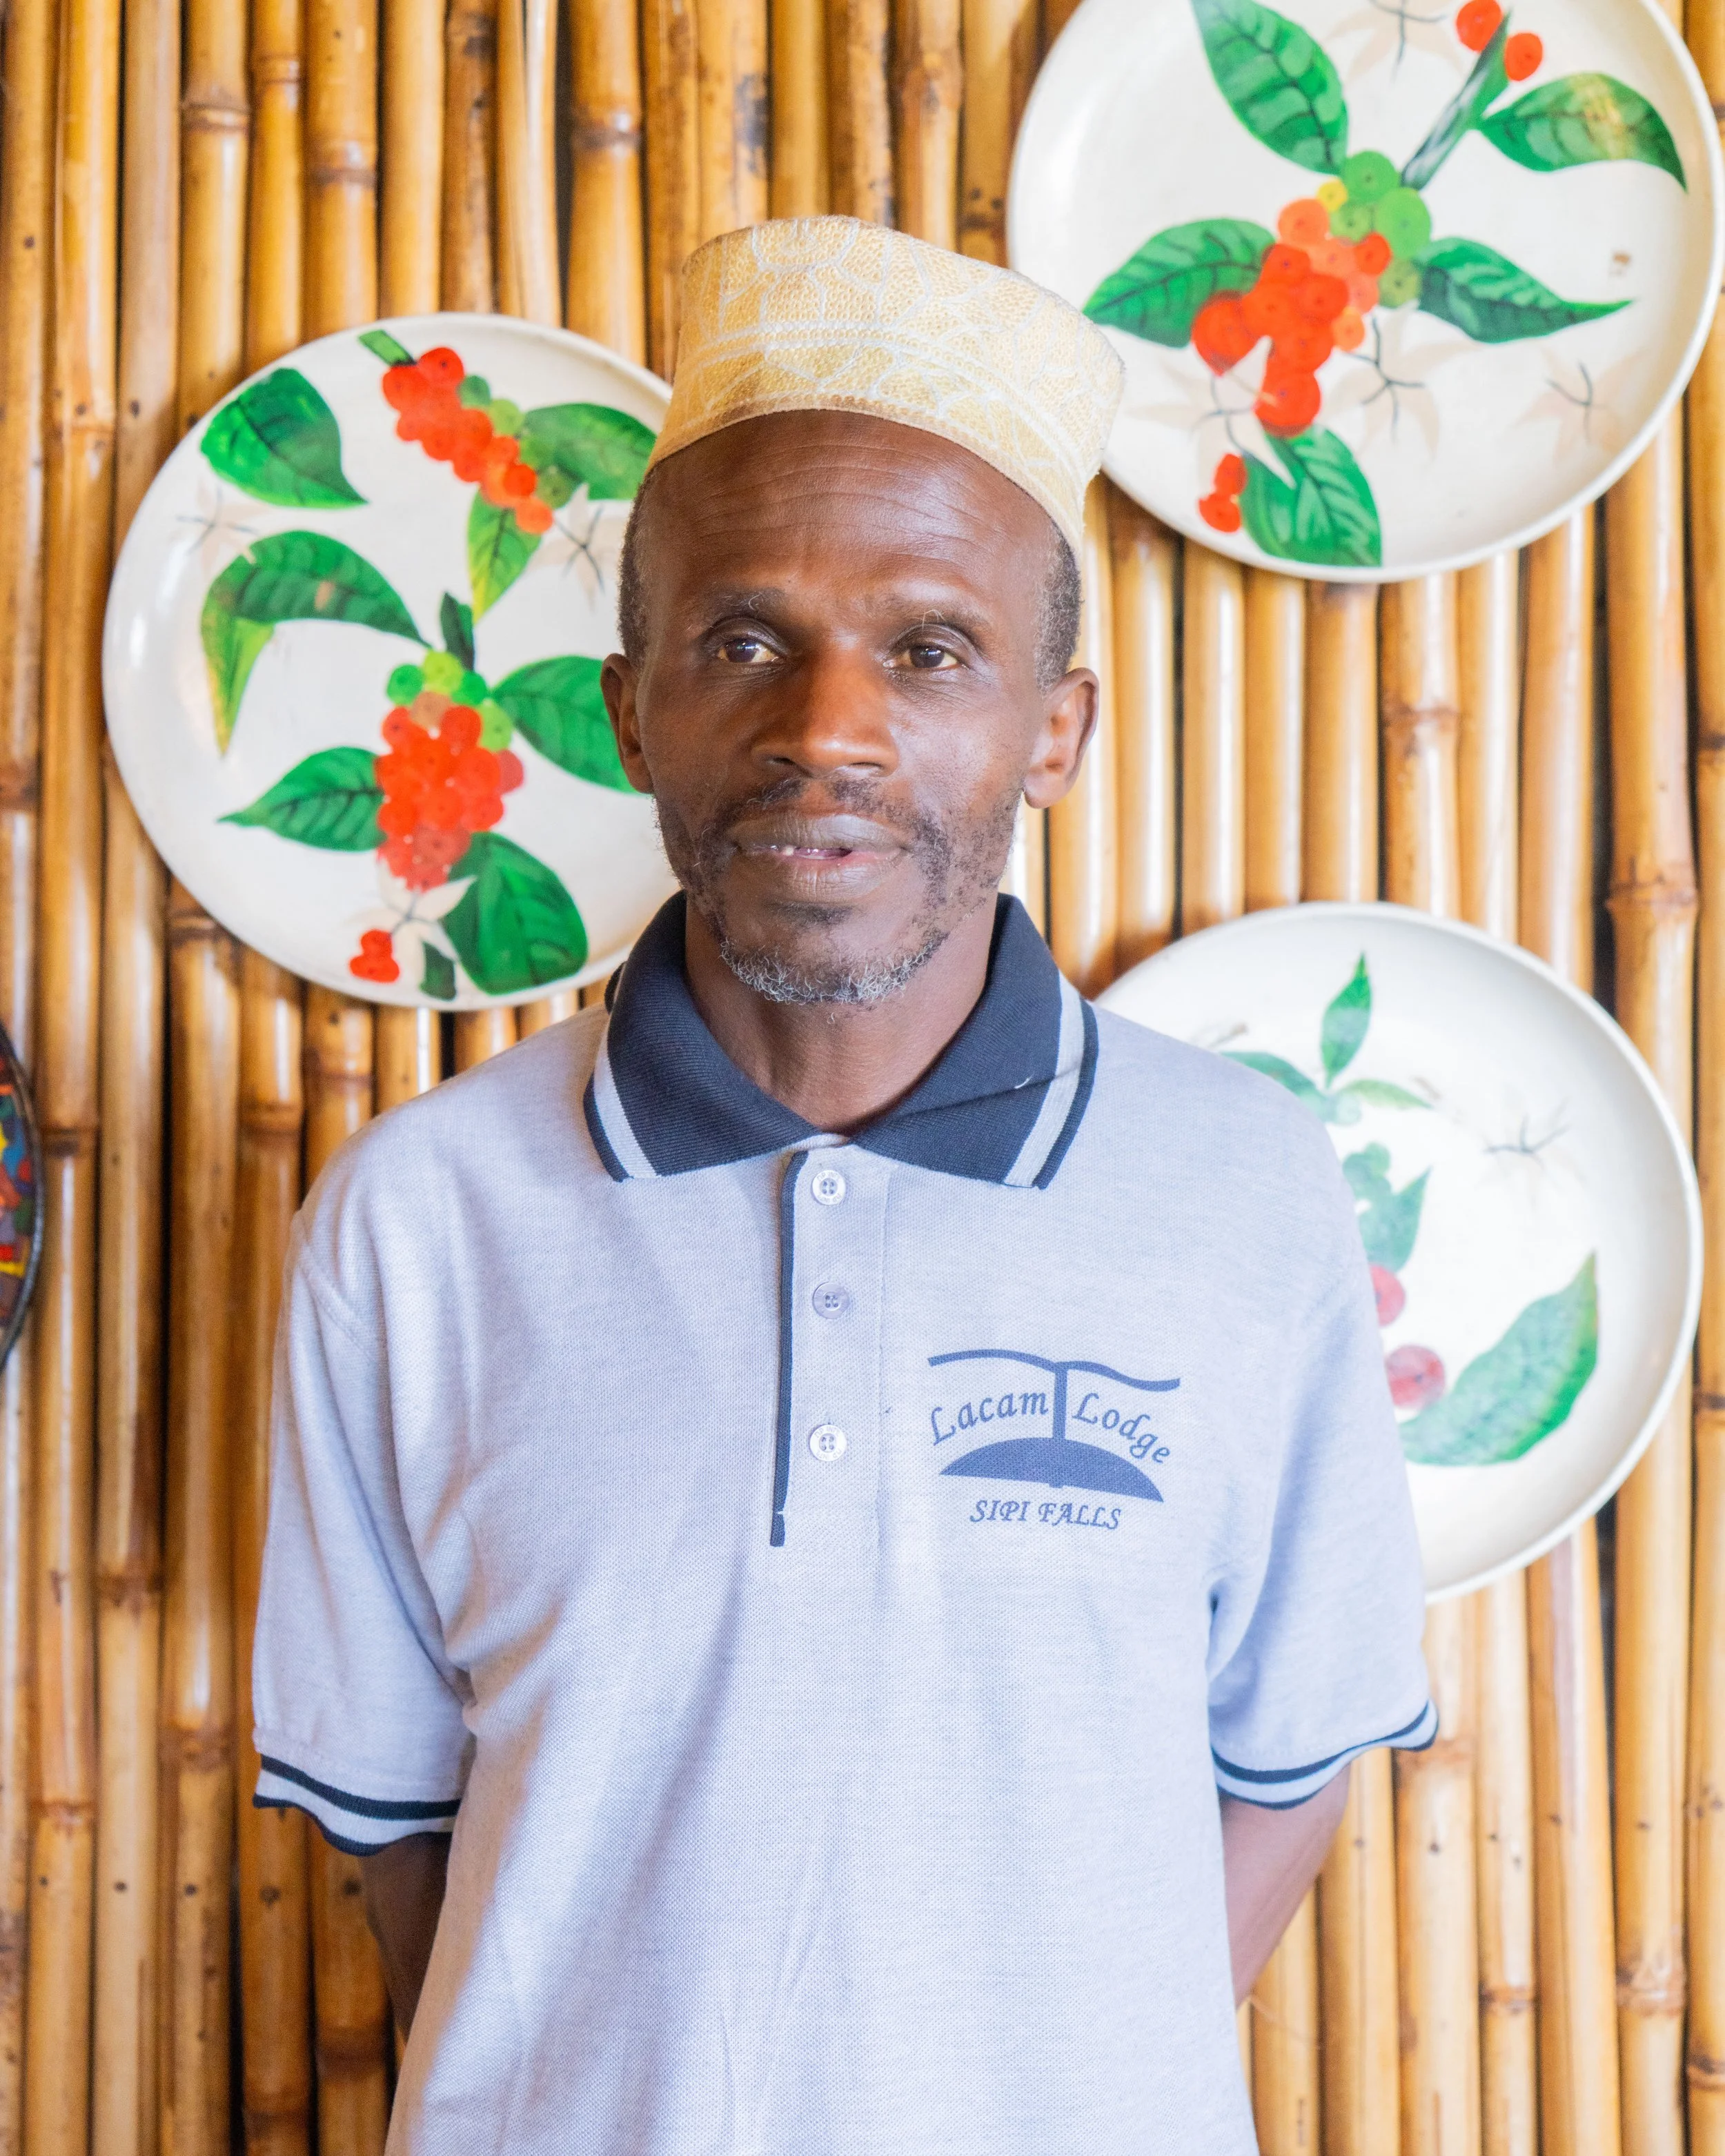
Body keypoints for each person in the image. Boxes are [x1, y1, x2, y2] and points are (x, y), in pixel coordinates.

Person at [252, 215, 1434, 2155]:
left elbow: (1286, 1763)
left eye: (929, 650)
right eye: (745, 642)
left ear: (1053, 729)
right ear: (630, 710)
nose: (827, 732)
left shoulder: (1245, 1197)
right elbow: (396, 1832)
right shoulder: (414, 1226)